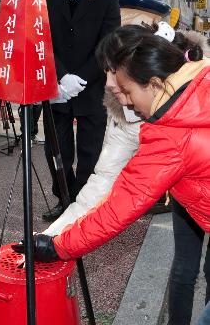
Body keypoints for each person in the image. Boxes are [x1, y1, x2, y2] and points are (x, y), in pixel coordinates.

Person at [29, 25, 210, 323]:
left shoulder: (169, 134)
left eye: (126, 90)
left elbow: (119, 206)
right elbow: (106, 183)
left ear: (152, 82)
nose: (124, 100)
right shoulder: (196, 79)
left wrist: (59, 246)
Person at [42, 0, 120, 221]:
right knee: (56, 150)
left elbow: (108, 46)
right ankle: (64, 199)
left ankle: (81, 202)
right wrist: (62, 77)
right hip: (55, 89)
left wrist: (80, 78)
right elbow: (42, 41)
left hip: (92, 89)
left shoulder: (106, 0)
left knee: (90, 151)